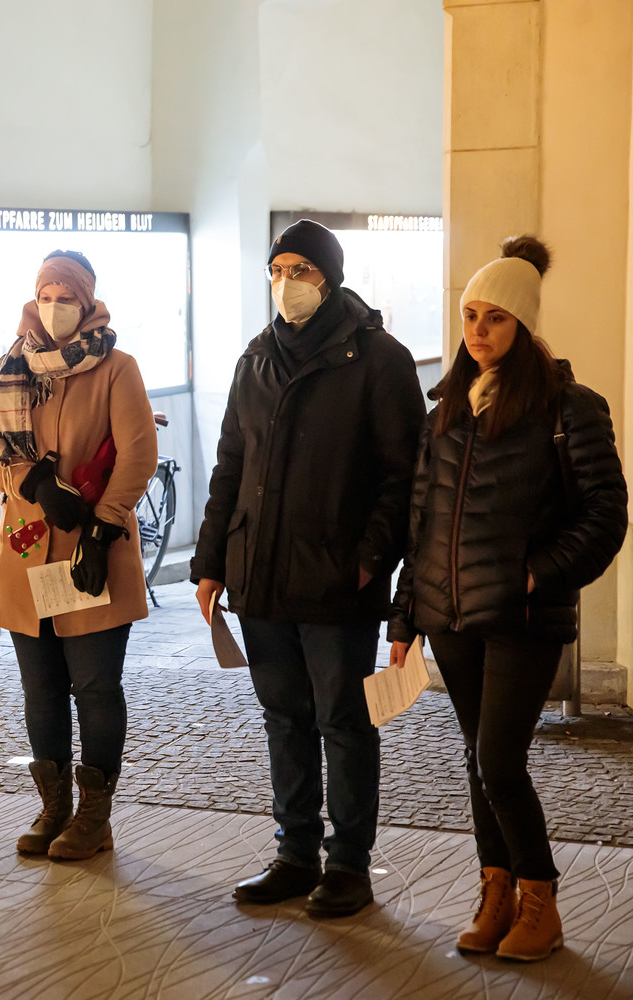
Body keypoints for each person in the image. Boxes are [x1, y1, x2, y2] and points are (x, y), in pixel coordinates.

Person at [389, 236, 627, 961]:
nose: (479, 331)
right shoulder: (446, 408)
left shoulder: (568, 407)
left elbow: (605, 517)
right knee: (475, 757)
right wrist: (405, 617)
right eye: (470, 316)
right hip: (450, 613)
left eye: (495, 318)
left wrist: (535, 574)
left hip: (522, 617)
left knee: (498, 759)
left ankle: (539, 901)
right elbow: (422, 518)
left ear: (522, 324)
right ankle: (495, 894)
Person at [191, 219, 425, 916]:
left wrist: (369, 560)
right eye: (277, 269)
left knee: (343, 723)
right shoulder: (256, 358)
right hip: (260, 576)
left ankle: (348, 865)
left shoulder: (379, 360)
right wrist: (211, 560)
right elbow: (230, 466)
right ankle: (295, 854)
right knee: (284, 719)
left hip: (336, 580)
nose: (285, 283)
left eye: (301, 270)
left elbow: (403, 477)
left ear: (330, 277)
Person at [0, 250, 158, 861]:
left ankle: (93, 818)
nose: (53, 307)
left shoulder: (116, 368)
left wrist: (102, 530)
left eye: (66, 298)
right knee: (42, 688)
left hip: (91, 549)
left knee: (96, 686)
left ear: (87, 303)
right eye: (45, 296)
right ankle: (52, 808)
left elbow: (138, 455)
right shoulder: (12, 366)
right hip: (26, 549)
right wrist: (31, 482)